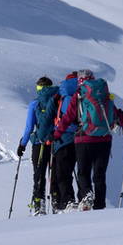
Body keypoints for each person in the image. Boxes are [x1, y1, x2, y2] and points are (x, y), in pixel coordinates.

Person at [55, 69, 123, 210]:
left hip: (84, 139)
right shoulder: (103, 94)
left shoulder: (79, 94)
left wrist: (57, 134)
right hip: (104, 140)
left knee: (83, 172)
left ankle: (87, 195)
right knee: (99, 174)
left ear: (79, 81)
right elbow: (120, 118)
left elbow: (68, 117)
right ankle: (100, 206)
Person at [17, 77, 60, 214]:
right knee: (55, 173)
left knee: (39, 174)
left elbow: (29, 127)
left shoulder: (35, 104)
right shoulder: (57, 101)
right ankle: (56, 202)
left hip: (38, 143)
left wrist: (22, 144)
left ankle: (38, 204)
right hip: (55, 142)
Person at [51, 72, 80, 211]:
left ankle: (67, 201)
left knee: (63, 173)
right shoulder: (84, 93)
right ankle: (81, 199)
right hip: (83, 138)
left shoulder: (63, 95)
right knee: (80, 171)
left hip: (63, 138)